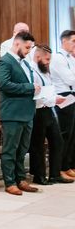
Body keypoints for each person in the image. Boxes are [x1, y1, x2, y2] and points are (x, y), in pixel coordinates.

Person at [0, 31, 41, 196]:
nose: (29, 51)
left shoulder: (25, 63)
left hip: (27, 112)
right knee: (10, 150)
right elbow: (4, 84)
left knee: (22, 150)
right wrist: (30, 88)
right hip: (12, 114)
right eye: (27, 47)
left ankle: (21, 179)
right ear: (17, 43)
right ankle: (10, 182)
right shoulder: (3, 62)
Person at [28, 45, 73, 185]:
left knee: (58, 141)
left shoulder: (45, 71)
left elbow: (49, 89)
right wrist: (54, 99)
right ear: (38, 56)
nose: (48, 62)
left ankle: (55, 174)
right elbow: (36, 94)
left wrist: (57, 97)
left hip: (49, 110)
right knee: (38, 144)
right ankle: (39, 176)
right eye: (47, 59)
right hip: (38, 111)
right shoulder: (32, 71)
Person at [50, 29, 75, 179]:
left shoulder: (70, 58)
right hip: (64, 97)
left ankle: (69, 165)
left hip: (72, 96)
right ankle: (61, 167)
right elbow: (70, 80)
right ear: (64, 41)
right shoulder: (58, 58)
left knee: (73, 134)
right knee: (65, 133)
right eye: (73, 41)